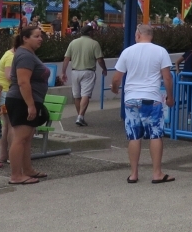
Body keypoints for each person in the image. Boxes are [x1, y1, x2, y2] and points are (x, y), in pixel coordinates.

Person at [109, 25, 175, 184]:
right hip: (152, 99)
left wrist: (114, 89)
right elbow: (167, 78)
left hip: (131, 99)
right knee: (155, 134)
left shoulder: (127, 52)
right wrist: (170, 97)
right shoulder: (161, 51)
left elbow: (116, 78)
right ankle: (157, 173)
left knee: (133, 136)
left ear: (137, 34)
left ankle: (133, 174)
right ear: (151, 35)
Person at [6, 26, 52, 185]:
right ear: (25, 38)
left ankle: (27, 170)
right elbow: (23, 82)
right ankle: (16, 175)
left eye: (41, 36)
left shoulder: (28, 54)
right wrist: (31, 105)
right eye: (36, 36)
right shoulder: (25, 55)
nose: (40, 39)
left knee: (26, 138)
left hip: (27, 100)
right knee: (20, 138)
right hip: (22, 101)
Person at [60, 24, 107, 127]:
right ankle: (80, 116)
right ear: (90, 32)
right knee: (85, 94)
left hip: (75, 71)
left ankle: (80, 116)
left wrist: (63, 72)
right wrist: (104, 68)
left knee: (77, 96)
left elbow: (66, 58)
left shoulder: (73, 42)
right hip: (88, 72)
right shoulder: (94, 43)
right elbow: (100, 59)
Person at [0, 45, 16, 163]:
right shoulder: (11, 57)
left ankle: (3, 154)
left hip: (2, 93)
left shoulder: (7, 54)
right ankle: (11, 154)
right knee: (11, 125)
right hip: (7, 92)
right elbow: (9, 76)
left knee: (5, 125)